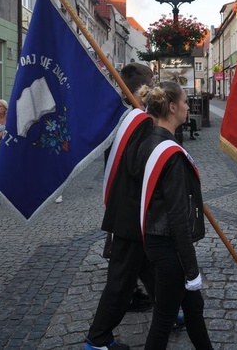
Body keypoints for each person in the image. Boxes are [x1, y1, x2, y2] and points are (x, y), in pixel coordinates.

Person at [86, 62, 156, 350]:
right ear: (144, 89)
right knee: (121, 280)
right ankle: (98, 338)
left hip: (131, 211)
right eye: (153, 83)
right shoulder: (139, 122)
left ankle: (172, 309)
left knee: (150, 267)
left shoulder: (126, 117)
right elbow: (140, 169)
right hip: (131, 213)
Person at [137, 82, 212, 350]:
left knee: (195, 307)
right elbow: (178, 217)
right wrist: (192, 269)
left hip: (158, 242)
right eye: (183, 102)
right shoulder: (170, 154)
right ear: (171, 107)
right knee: (163, 320)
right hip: (169, 246)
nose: (187, 106)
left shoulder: (149, 142)